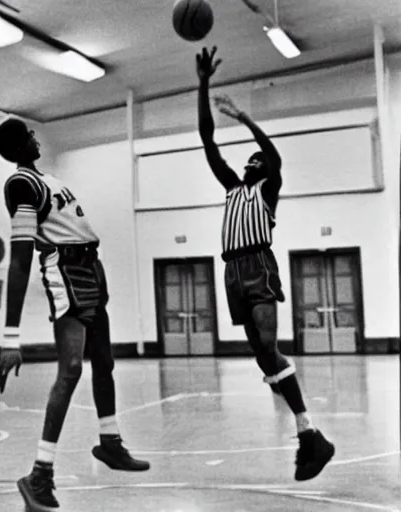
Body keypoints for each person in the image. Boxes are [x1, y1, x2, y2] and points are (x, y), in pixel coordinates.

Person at [0, 118, 149, 511]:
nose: (34, 137)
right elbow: (20, 259)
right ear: (16, 147)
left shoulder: (50, 180)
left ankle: (110, 443)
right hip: (64, 270)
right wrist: (11, 338)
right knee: (72, 368)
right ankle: (39, 476)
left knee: (106, 363)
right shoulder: (21, 185)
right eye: (27, 134)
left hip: (90, 267)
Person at [196, 46, 335, 481]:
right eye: (249, 159)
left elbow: (273, 157)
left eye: (255, 160)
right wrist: (203, 84)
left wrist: (243, 118)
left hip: (258, 266)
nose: (250, 160)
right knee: (259, 354)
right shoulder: (233, 188)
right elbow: (206, 139)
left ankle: (309, 432)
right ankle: (310, 435)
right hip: (232, 271)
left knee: (270, 348)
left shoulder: (267, 190)